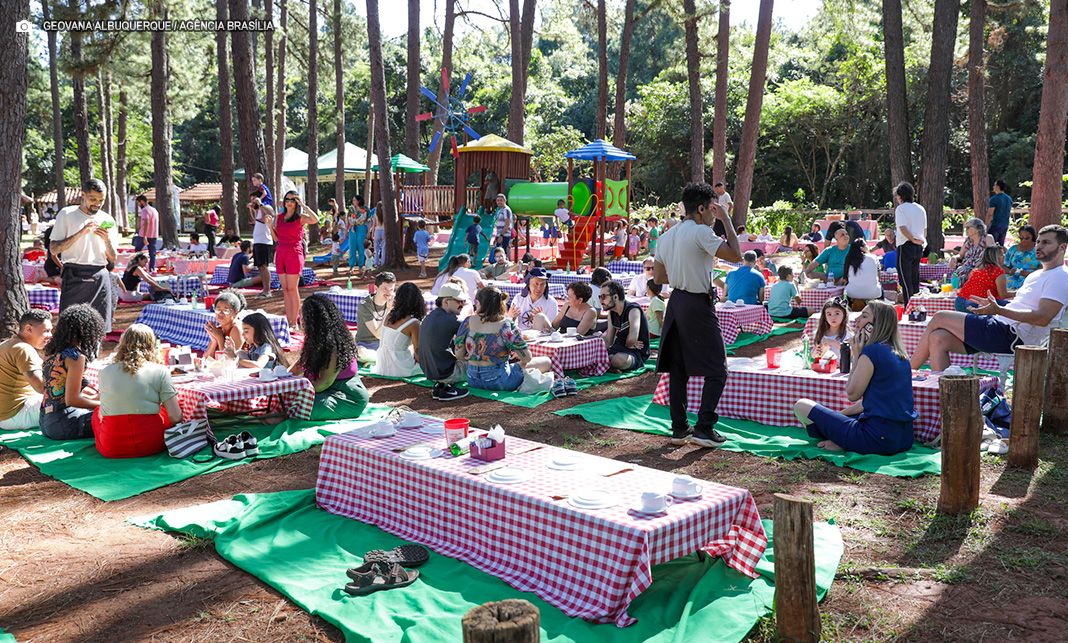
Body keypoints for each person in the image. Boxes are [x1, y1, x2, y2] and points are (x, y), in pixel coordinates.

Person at [653, 182, 742, 447]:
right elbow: (736, 255)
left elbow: (658, 277)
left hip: (677, 300)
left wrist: (682, 273)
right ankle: (704, 427)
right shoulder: (701, 232)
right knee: (718, 368)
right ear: (702, 209)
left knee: (678, 368)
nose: (715, 215)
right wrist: (727, 218)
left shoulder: (667, 235)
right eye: (713, 210)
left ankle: (680, 428)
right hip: (696, 302)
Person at [909, 227, 1068, 370]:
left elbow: (1042, 318)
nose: (1039, 246)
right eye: (1039, 241)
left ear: (1062, 247)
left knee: (939, 317)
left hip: (1013, 335)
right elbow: (1022, 305)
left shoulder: (1061, 276)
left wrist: (999, 310)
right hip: (1002, 327)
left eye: (1046, 242)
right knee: (938, 338)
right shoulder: (1036, 274)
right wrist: (998, 304)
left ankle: (907, 374)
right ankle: (941, 396)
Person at [794, 301, 917, 455]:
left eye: (864, 316)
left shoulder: (871, 352)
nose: (857, 320)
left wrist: (857, 356)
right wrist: (839, 416)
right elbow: (866, 403)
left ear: (876, 324)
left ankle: (843, 440)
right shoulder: (900, 354)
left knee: (801, 405)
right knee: (845, 416)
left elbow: (852, 394)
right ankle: (842, 437)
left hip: (876, 439)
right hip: (904, 439)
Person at [93, 324, 181, 458]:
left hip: (112, 446)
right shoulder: (160, 371)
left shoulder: (104, 372)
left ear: (122, 343)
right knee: (164, 410)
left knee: (96, 412)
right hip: (152, 444)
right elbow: (176, 417)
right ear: (152, 345)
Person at [50, 179, 119, 332]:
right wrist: (81, 233)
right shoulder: (67, 214)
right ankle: (71, 356)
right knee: (69, 327)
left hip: (99, 275)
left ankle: (93, 356)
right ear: (83, 195)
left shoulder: (107, 219)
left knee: (98, 328)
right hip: (73, 273)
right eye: (93, 199)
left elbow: (113, 257)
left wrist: (106, 240)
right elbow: (54, 249)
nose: (97, 203)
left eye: (101, 200)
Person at [453, 287, 552, 391]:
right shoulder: (505, 325)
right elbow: (527, 358)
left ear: (480, 303)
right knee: (546, 361)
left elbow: (459, 355)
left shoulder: (467, 321)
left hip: (472, 379)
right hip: (499, 381)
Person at [293, 295, 370, 420]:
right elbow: (297, 367)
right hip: (323, 392)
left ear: (315, 320)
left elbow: (323, 383)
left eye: (304, 317)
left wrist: (295, 391)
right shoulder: (314, 341)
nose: (300, 320)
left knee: (301, 405)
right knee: (290, 402)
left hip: (347, 398)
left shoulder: (334, 345)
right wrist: (281, 380)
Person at [39, 304, 104, 440]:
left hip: (45, 421)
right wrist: (104, 405)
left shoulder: (51, 351)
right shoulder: (75, 357)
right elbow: (72, 400)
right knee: (115, 416)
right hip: (63, 423)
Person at [0, 310, 52, 431]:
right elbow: (42, 388)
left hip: (6, 416)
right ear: (29, 329)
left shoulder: (8, 343)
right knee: (73, 398)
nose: (50, 335)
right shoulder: (24, 349)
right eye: (46, 331)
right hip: (15, 416)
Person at [418, 282, 469, 401]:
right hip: (447, 373)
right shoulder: (453, 320)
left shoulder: (429, 316)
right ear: (446, 302)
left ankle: (442, 386)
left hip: (430, 373)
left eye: (463, 301)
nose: (462, 305)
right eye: (458, 301)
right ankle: (447, 387)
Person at [274, 191, 319, 327]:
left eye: (292, 200)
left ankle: (295, 321)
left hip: (294, 252)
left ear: (296, 202)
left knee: (292, 288)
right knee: (285, 289)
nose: (289, 202)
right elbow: (276, 238)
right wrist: (270, 226)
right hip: (281, 251)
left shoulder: (301, 218)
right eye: (287, 199)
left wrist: (303, 205)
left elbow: (315, 219)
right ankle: (289, 321)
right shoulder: (279, 217)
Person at [372, 283, 426, 378]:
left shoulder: (389, 315)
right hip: (400, 367)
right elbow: (418, 353)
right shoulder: (414, 323)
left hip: (382, 366)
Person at [601, 279, 650, 372]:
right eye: (600, 297)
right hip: (618, 348)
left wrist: (630, 343)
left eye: (603, 296)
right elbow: (609, 341)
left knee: (618, 360)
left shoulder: (633, 310)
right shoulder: (611, 313)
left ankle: (609, 363)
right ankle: (610, 364)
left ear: (615, 297)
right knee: (601, 356)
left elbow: (632, 339)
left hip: (636, 353)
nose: (601, 300)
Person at [894, 181, 927, 305]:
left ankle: (909, 307)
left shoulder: (901, 209)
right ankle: (917, 307)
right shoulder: (921, 208)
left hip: (906, 245)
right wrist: (920, 242)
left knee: (905, 280)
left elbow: (902, 228)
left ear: (900, 196)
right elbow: (925, 229)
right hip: (919, 245)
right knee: (915, 278)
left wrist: (912, 238)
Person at [955, 246, 1008, 312]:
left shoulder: (976, 270)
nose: (1004, 256)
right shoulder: (998, 271)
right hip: (977, 303)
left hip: (960, 301)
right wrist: (1017, 293)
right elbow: (1003, 295)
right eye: (1002, 254)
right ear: (997, 257)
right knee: (1010, 306)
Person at [356, 272, 397, 351]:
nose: (389, 293)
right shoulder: (364, 305)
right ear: (376, 288)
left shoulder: (394, 302)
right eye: (385, 289)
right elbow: (377, 334)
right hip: (366, 344)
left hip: (386, 343)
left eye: (391, 289)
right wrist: (389, 310)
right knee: (361, 352)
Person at [509, 267, 558, 331]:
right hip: (521, 336)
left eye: (542, 284)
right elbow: (510, 324)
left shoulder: (551, 302)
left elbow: (552, 330)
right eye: (536, 284)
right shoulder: (519, 298)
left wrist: (542, 317)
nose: (539, 288)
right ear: (529, 284)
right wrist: (511, 316)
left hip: (541, 337)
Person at [248, 190, 276, 298]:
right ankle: (264, 289)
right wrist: (252, 209)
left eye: (254, 198)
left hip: (265, 241)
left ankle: (267, 290)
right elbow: (254, 220)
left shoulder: (266, 207)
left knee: (264, 267)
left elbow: (271, 214)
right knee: (260, 267)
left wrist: (261, 204)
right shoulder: (259, 210)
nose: (252, 201)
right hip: (258, 241)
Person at [204, 290, 247, 359]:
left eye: (226, 310)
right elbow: (206, 358)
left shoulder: (237, 329)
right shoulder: (219, 329)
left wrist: (220, 339)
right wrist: (214, 341)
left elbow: (228, 360)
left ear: (235, 312)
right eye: (218, 310)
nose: (221, 313)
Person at [843, 238, 882, 310]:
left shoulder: (849, 258)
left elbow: (846, 278)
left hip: (852, 293)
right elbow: (879, 276)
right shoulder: (873, 258)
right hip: (873, 293)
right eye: (866, 245)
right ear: (862, 248)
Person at [951, 217, 990, 284]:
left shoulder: (987, 238)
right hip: (965, 267)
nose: (966, 230)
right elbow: (960, 255)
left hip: (980, 268)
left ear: (977, 229)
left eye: (968, 227)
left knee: (966, 275)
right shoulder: (968, 241)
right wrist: (954, 257)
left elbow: (993, 253)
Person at [1005, 224, 1041, 290]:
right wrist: (1010, 271)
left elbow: (1043, 269)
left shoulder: (1038, 251)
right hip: (1012, 277)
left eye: (1027, 238)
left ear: (1033, 237)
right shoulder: (1013, 249)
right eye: (1021, 238)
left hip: (1031, 279)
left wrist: (1029, 274)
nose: (1023, 240)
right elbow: (1004, 265)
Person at [134, 194, 159, 271]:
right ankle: (152, 269)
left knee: (137, 251)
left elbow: (146, 223)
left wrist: (144, 236)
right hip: (154, 235)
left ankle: (137, 267)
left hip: (144, 235)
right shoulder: (154, 210)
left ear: (142, 201)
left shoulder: (145, 210)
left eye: (138, 203)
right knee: (152, 254)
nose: (138, 205)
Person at [348, 195, 371, 275]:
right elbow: (348, 218)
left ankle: (361, 266)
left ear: (359, 201)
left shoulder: (365, 208)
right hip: (352, 229)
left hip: (362, 228)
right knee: (352, 247)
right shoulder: (351, 209)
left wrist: (369, 231)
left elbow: (369, 220)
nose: (353, 201)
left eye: (354, 200)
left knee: (361, 247)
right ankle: (351, 266)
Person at [986, 179, 1013, 246]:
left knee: (991, 245)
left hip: (996, 225)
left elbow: (990, 214)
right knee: (1000, 246)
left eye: (994, 185)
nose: (993, 187)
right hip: (1005, 225)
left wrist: (985, 225)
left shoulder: (994, 199)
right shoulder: (1009, 199)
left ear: (998, 186)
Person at [373, 204, 387, 268]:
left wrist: (372, 233)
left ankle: (376, 263)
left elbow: (374, 225)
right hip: (384, 230)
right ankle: (383, 263)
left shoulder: (375, 215)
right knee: (384, 248)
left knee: (376, 248)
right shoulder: (385, 214)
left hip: (377, 231)